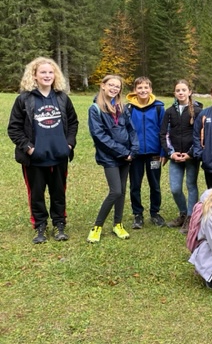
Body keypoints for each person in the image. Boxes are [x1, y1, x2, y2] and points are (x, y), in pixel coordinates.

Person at [8, 57, 78, 243]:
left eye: (50, 72)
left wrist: (68, 145)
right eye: (43, 72)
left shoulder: (62, 98)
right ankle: (40, 226)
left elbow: (73, 122)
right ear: (35, 75)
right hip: (35, 159)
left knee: (58, 192)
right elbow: (14, 129)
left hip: (59, 156)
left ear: (55, 75)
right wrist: (29, 148)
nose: (47, 75)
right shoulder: (24, 99)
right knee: (36, 194)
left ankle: (59, 224)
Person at [87, 75, 138, 243]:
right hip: (110, 157)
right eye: (111, 85)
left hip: (127, 156)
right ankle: (97, 226)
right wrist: (123, 152)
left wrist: (133, 149)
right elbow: (99, 136)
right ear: (103, 86)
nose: (114, 89)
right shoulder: (95, 109)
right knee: (115, 190)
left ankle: (118, 223)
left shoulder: (122, 107)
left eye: (117, 86)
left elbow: (131, 130)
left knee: (122, 191)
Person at [160, 79, 203, 233]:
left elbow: (200, 135)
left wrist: (190, 154)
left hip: (190, 157)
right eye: (178, 90)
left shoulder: (197, 112)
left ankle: (191, 219)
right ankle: (183, 213)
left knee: (191, 186)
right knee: (175, 188)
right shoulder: (170, 111)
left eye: (184, 90)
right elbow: (163, 134)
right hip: (175, 157)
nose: (181, 93)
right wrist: (171, 153)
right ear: (175, 93)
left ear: (189, 92)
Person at [126, 76, 166, 229]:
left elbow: (163, 131)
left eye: (146, 87)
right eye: (139, 88)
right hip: (135, 153)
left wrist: (163, 152)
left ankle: (155, 212)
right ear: (135, 90)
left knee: (154, 184)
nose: (143, 90)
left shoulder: (158, 108)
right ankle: (138, 214)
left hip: (154, 152)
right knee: (135, 184)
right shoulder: (129, 108)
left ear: (151, 89)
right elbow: (125, 130)